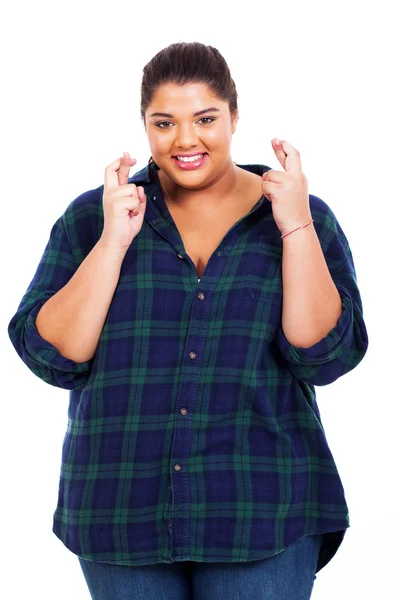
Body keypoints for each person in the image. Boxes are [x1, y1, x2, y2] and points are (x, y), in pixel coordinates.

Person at [7, 41, 368, 600]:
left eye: (204, 119)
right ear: (144, 126)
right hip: (120, 506)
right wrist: (112, 242)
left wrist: (295, 227)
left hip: (262, 505)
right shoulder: (93, 215)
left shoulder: (299, 215)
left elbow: (323, 355)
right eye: (164, 122)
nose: (185, 140)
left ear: (234, 116)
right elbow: (54, 357)